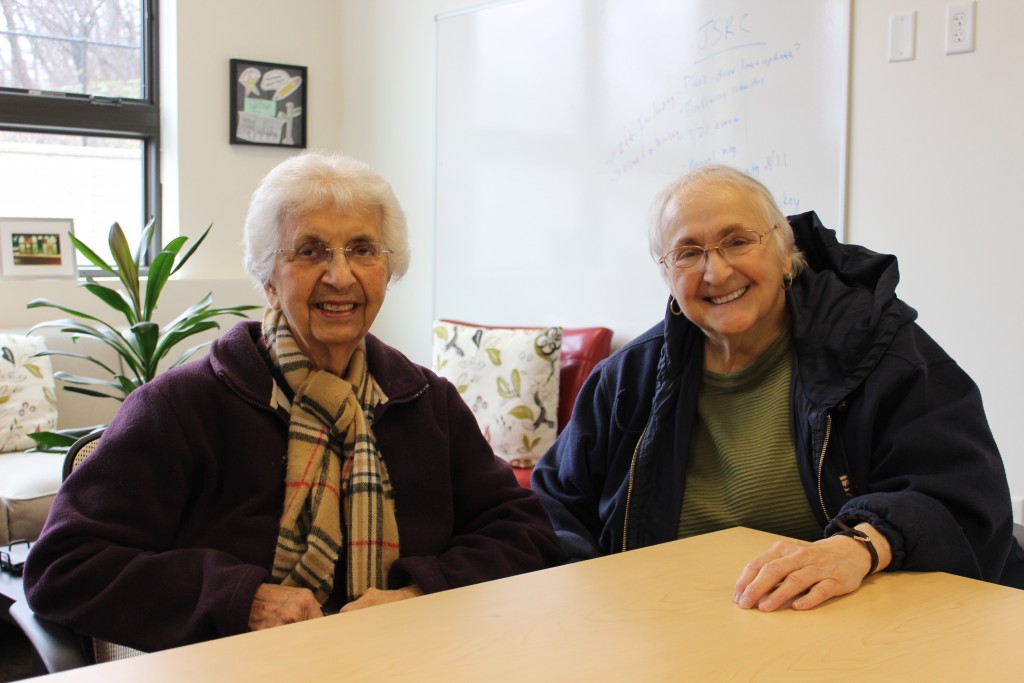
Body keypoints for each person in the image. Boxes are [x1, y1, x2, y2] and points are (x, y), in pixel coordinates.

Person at [24, 151, 559, 651]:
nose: (340, 275)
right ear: (268, 278)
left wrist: (420, 596)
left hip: (405, 660)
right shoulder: (181, 407)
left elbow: (525, 535)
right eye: (310, 251)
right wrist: (242, 600)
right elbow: (64, 568)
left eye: (362, 250)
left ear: (387, 271)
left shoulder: (425, 401)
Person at [532, 163, 1024, 612]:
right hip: (676, 630)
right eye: (687, 253)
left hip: (857, 624)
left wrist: (860, 545)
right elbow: (556, 504)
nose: (716, 270)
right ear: (667, 276)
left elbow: (963, 496)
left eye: (739, 241)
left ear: (788, 253)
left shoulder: (880, 350)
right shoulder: (625, 381)